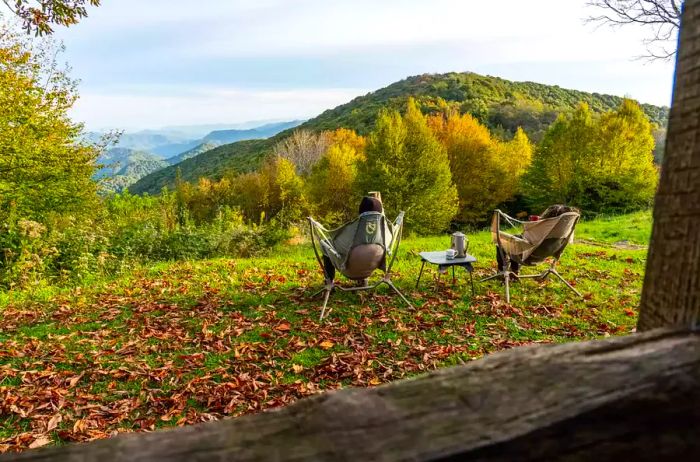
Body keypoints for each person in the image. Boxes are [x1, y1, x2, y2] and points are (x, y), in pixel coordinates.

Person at [496, 204, 580, 275]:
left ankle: (502, 271)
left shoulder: (542, 229)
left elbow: (527, 235)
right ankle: (514, 271)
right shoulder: (562, 231)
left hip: (527, 256)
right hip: (543, 254)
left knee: (502, 242)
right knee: (516, 238)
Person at [323, 196, 385, 282]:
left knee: (326, 243)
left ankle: (329, 281)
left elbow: (338, 245)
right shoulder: (384, 231)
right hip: (371, 266)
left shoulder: (352, 230)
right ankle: (364, 279)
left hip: (349, 269)